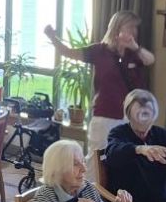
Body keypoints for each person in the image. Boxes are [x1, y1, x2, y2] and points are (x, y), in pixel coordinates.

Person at [44, 11, 154, 179]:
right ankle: (88, 193)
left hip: (129, 119)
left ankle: (114, 194)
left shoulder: (134, 54)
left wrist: (135, 47)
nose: (134, 31)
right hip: (104, 117)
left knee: (124, 161)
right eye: (130, 26)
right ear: (118, 27)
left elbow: (150, 60)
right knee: (96, 162)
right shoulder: (99, 51)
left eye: (135, 28)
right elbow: (68, 52)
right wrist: (52, 37)